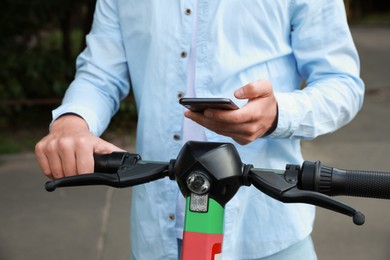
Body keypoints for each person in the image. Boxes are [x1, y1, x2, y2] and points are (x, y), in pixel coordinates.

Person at [35, 0, 364, 259]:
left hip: (266, 234)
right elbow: (100, 72)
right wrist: (72, 123)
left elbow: (342, 83)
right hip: (156, 238)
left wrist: (277, 113)